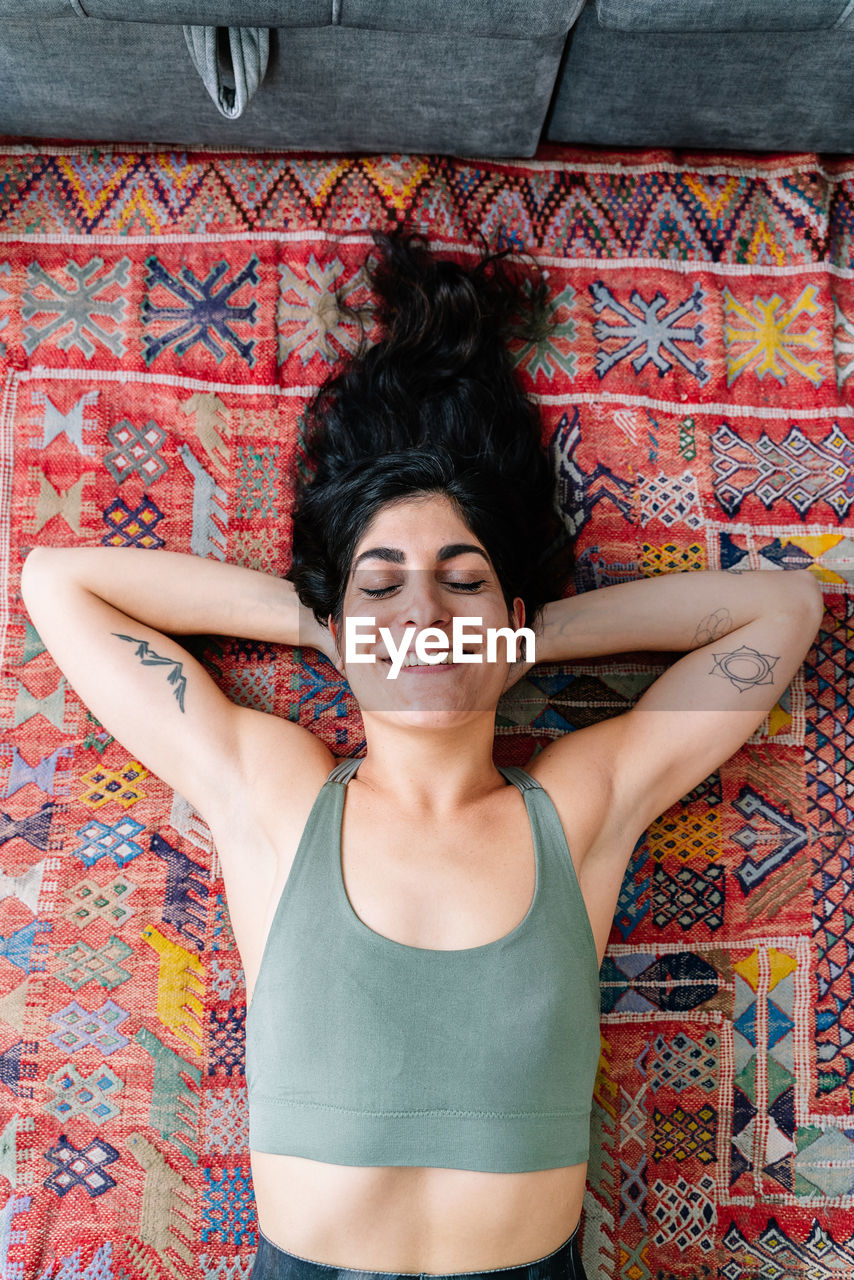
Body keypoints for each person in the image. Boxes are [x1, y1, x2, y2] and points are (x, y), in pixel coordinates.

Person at [20, 229, 824, 1280]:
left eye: (460, 579)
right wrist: (327, 627)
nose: (424, 611)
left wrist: (522, 638)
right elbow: (58, 585)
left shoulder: (577, 806)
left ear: (507, 612)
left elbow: (780, 608)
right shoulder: (277, 792)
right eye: (383, 581)